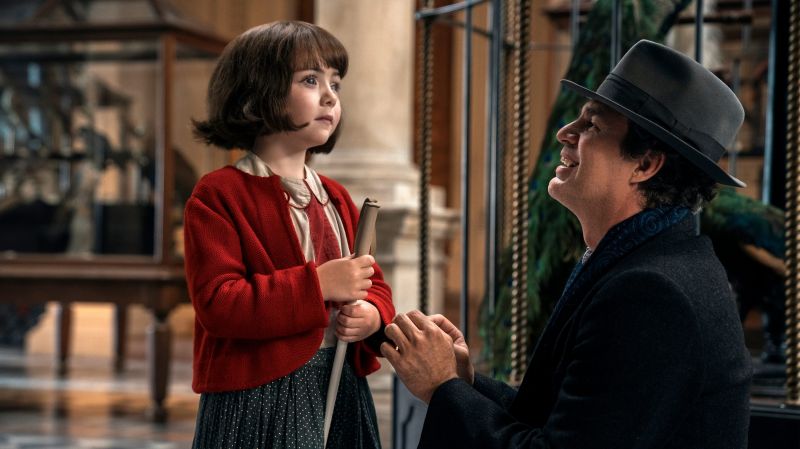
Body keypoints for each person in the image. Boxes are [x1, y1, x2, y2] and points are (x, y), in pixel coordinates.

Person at [382, 40, 752, 449]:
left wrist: (443, 388)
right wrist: (464, 382)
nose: (565, 132)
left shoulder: (652, 292)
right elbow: (563, 420)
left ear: (645, 165)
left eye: (592, 125)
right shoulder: (645, 261)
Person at [183, 21, 394, 449]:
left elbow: (373, 283)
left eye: (335, 83)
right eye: (310, 80)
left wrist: (372, 314)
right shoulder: (219, 194)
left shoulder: (336, 197)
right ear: (255, 95)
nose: (330, 96)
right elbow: (219, 304)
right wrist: (318, 285)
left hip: (339, 383)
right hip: (259, 395)